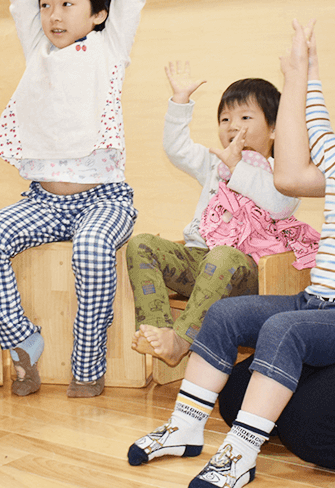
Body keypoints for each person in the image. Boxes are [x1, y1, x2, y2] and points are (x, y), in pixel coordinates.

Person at [127, 23, 335, 488]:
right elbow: (315, 125)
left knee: (284, 331)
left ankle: (239, 454)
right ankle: (183, 427)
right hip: (315, 299)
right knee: (225, 313)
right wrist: (307, 71)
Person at [0, 0, 144, 399]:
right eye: (48, 5)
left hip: (105, 199)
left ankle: (87, 364)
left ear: (98, 14)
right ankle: (23, 342)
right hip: (44, 201)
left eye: (67, 3)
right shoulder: (37, 50)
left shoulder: (109, 48)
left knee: (92, 249)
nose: (53, 14)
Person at [127, 62, 320, 368]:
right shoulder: (212, 163)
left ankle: (181, 341)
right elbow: (176, 148)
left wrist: (237, 169)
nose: (232, 125)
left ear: (273, 128)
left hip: (247, 271)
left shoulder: (284, 171)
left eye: (245, 117)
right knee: (141, 244)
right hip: (200, 258)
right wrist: (179, 102)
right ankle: (160, 331)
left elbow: (280, 205)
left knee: (223, 257)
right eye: (225, 118)